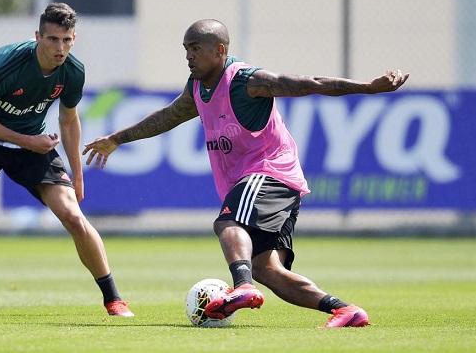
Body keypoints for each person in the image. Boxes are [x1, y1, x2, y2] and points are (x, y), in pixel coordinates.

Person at [83, 19, 409, 327]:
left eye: (196, 48)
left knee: (227, 223)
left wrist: (368, 87)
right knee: (266, 268)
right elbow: (168, 116)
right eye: (186, 48)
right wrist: (116, 139)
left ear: (220, 50)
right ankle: (345, 310)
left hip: (270, 171)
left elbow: (310, 84)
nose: (189, 55)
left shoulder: (247, 81)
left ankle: (242, 287)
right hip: (263, 180)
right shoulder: (197, 86)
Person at [0, 2, 133, 318]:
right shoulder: (3, 65)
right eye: (52, 39)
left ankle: (114, 300)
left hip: (31, 146)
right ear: (38, 36)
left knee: (73, 216)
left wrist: (78, 174)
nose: (59, 48)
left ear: (74, 39)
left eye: (66, 40)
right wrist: (28, 141)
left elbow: (68, 121)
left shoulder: (73, 71)